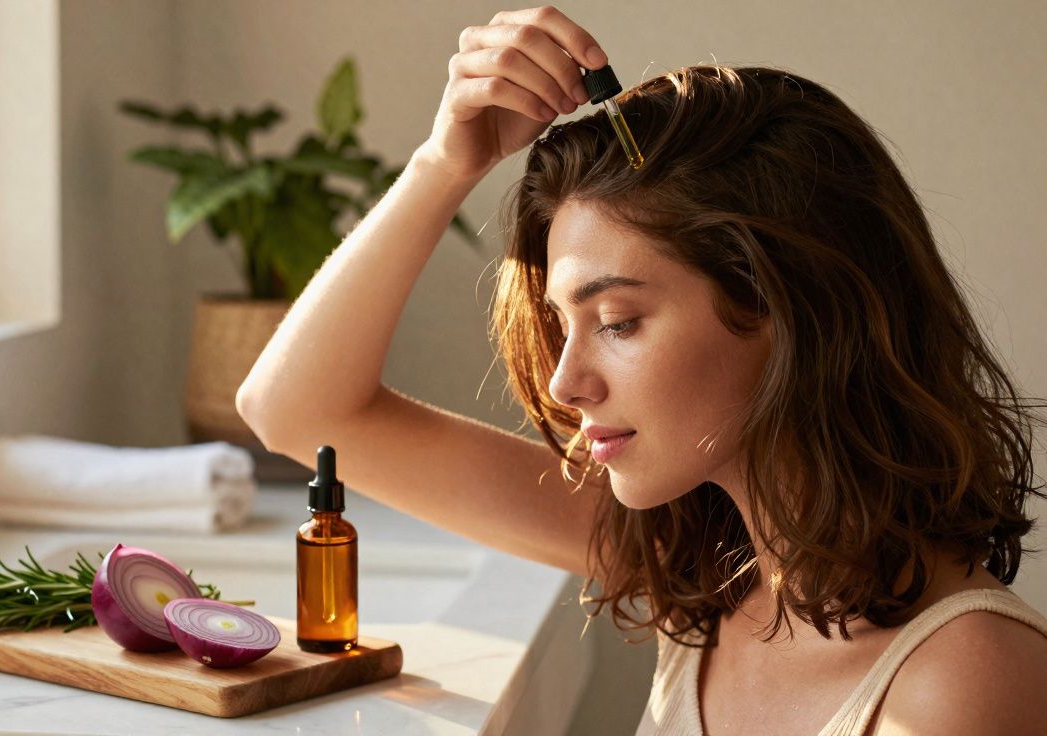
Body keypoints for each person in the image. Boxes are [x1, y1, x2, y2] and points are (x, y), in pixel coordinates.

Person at [236, 6, 1047, 734]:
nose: (564, 383)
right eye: (564, 324)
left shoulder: (960, 681)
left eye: (618, 322)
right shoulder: (702, 567)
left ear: (786, 307)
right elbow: (295, 413)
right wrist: (444, 162)